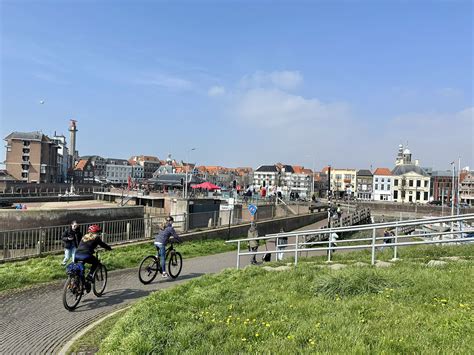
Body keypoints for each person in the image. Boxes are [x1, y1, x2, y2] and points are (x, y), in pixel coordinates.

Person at [74, 225, 112, 291]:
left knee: (79, 270)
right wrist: (109, 248)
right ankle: (90, 276)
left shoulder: (84, 236)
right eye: (98, 232)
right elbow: (102, 244)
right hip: (86, 255)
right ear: (96, 232)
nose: (99, 233)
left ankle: (78, 283)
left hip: (77, 254)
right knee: (96, 263)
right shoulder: (96, 237)